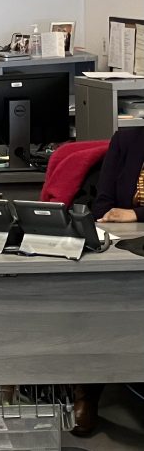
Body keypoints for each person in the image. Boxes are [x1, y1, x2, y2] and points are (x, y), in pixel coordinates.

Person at [70, 127, 144, 433]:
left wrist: (136, 214)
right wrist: (122, 215)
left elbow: (126, 214)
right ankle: (87, 393)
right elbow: (102, 206)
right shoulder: (126, 141)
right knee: (99, 296)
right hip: (124, 249)